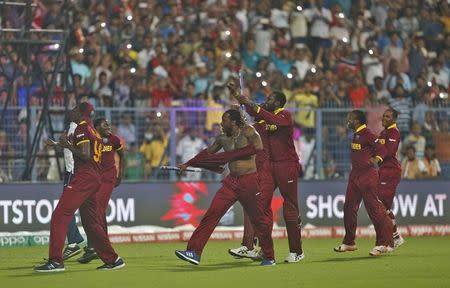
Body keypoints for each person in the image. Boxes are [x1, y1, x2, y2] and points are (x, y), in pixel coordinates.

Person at [175, 109, 276, 266]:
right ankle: (194, 252)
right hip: (231, 182)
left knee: (258, 220)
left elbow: (258, 147)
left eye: (224, 120)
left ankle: (269, 256)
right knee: (212, 214)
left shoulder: (248, 130)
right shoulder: (222, 138)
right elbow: (208, 153)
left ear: (234, 122)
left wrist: (229, 156)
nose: (221, 123)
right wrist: (189, 163)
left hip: (249, 181)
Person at [34, 102, 124, 272]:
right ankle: (113, 259)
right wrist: (60, 144)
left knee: (60, 214)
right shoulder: (92, 130)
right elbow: (86, 150)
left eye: (75, 109)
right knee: (91, 224)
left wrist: (67, 145)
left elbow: (84, 154)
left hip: (84, 177)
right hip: (95, 178)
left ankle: (56, 261)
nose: (72, 110)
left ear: (82, 112)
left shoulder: (81, 128)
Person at [234, 90, 304, 263]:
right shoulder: (266, 118)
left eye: (271, 99)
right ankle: (263, 250)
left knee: (290, 208)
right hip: (270, 167)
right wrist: (241, 102)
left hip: (287, 165)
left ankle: (297, 251)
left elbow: (265, 116)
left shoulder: (284, 115)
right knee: (260, 204)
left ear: (279, 102)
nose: (268, 100)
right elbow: (254, 114)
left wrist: (251, 104)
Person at [334, 110, 394, 256]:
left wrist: (377, 159)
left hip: (368, 176)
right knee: (348, 208)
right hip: (355, 176)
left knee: (374, 210)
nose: (347, 121)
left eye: (350, 118)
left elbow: (382, 148)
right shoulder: (356, 135)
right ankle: (349, 242)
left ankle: (383, 243)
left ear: (356, 121)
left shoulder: (368, 134)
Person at [77, 117, 124, 264]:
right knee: (96, 212)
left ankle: (94, 247)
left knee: (97, 210)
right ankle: (99, 246)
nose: (108, 126)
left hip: (108, 179)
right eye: (105, 124)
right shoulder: (92, 139)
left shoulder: (114, 140)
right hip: (95, 178)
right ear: (96, 127)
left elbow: (123, 157)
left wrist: (120, 175)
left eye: (109, 124)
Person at [44, 111, 85, 260]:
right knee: (81, 210)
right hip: (72, 171)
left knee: (64, 209)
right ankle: (91, 245)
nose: (70, 113)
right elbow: (68, 145)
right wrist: (55, 143)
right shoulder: (74, 127)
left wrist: (59, 143)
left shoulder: (75, 128)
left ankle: (73, 243)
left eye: (74, 111)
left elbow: (75, 148)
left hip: (72, 172)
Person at [377, 108, 405, 248]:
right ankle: (394, 236)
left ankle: (391, 239)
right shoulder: (384, 132)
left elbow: (389, 151)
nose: (384, 118)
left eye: (388, 117)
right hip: (383, 170)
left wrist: (376, 158)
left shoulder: (394, 132)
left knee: (382, 204)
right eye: (384, 116)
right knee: (381, 204)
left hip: (391, 171)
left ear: (394, 119)